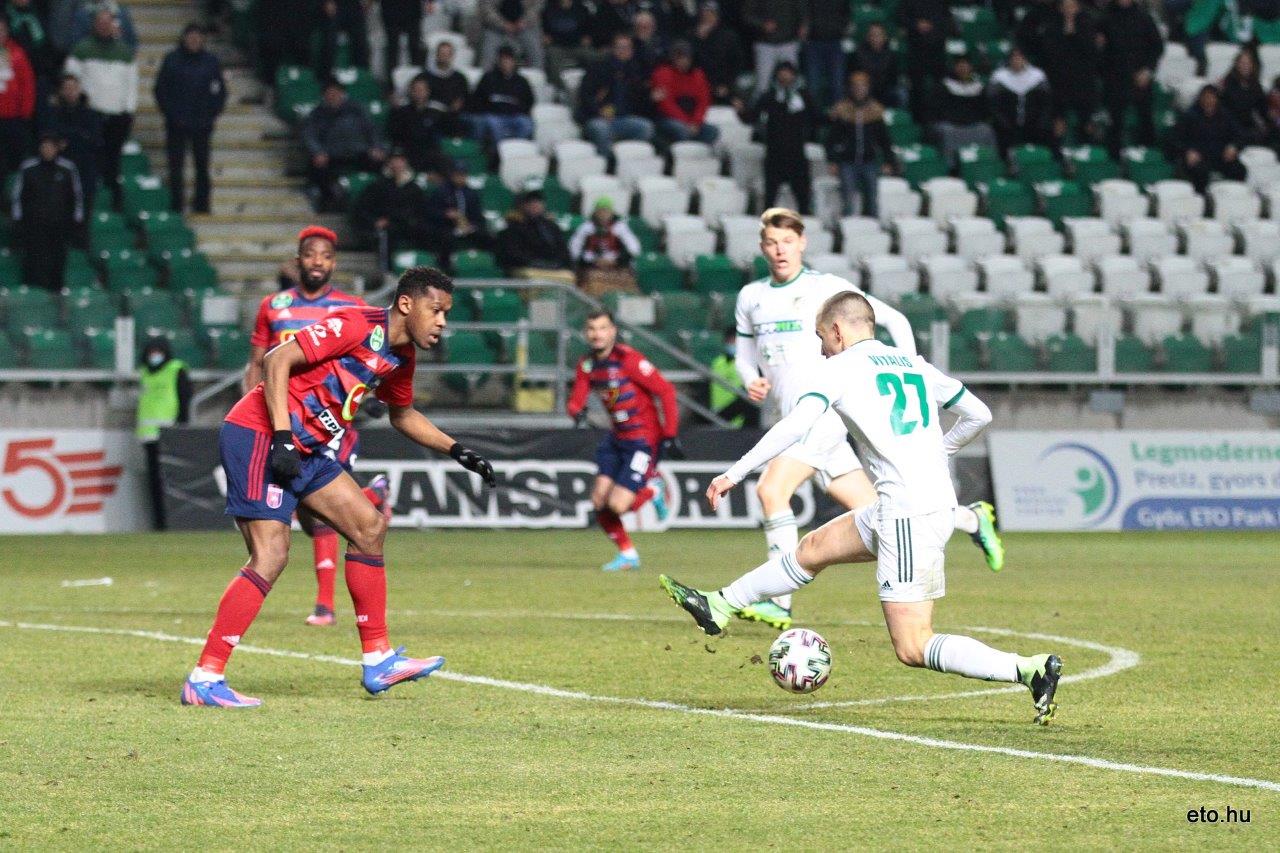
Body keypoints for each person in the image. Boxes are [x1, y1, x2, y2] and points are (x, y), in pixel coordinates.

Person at [659, 290, 1063, 726]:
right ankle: (720, 604)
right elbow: (979, 414)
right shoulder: (912, 363)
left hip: (908, 514)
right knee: (813, 548)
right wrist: (938, 452)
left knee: (913, 645)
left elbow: (795, 426)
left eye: (821, 338)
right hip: (907, 504)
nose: (820, 349)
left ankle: (1028, 669)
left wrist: (735, 473)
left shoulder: (841, 369)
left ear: (837, 330)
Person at [182, 265, 497, 707]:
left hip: (308, 447)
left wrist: (458, 450)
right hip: (259, 434)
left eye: (446, 313)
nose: (442, 321)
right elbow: (277, 359)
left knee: (369, 527)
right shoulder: (356, 325)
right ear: (406, 304)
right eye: (436, 310)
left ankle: (379, 660)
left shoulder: (402, 357)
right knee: (271, 554)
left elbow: (403, 415)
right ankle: (205, 677)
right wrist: (282, 436)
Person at [729, 208, 1001, 629]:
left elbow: (893, 319)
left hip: (823, 414)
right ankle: (969, 517)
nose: (780, 250)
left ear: (802, 243)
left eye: (787, 241)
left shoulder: (827, 288)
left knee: (771, 489)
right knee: (875, 511)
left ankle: (778, 602)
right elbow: (745, 357)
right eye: (771, 243)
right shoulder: (751, 296)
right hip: (792, 410)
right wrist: (750, 379)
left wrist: (906, 366)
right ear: (762, 247)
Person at [244, 226, 391, 627]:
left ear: (334, 263)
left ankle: (325, 606)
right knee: (310, 515)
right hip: (282, 417)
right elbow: (257, 363)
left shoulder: (352, 307)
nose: (317, 262)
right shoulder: (273, 306)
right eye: (310, 255)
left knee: (319, 511)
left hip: (329, 420)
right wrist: (252, 408)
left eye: (325, 256)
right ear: (298, 260)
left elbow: (373, 355)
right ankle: (371, 497)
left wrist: (373, 395)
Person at [566, 310, 681, 572]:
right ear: (586, 333)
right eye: (591, 329)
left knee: (617, 505)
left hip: (643, 441)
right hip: (616, 438)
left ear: (612, 331)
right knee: (599, 502)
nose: (597, 334)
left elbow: (666, 390)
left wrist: (670, 434)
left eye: (602, 328)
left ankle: (653, 490)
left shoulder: (629, 360)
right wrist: (576, 411)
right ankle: (628, 555)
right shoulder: (587, 364)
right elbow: (576, 399)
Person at [64, 8, 137, 211]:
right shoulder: (81, 49)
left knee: (113, 161)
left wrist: (128, 110)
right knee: (90, 159)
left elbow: (131, 85)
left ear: (113, 24)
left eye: (108, 22)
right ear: (94, 24)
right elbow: (71, 78)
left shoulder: (125, 52)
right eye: (100, 22)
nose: (104, 26)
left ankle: (115, 203)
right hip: (91, 114)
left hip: (117, 115)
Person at [154, 24, 226, 214]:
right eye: (190, 37)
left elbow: (220, 91)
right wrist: (171, 114)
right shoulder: (172, 60)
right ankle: (176, 205)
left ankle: (202, 204)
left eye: (197, 37)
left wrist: (211, 115)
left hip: (202, 124)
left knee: (202, 165)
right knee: (175, 167)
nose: (194, 41)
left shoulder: (211, 62)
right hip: (176, 123)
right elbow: (161, 90)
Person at [737, 61, 817, 214]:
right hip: (774, 154)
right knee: (770, 197)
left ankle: (805, 222)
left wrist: (834, 115)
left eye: (788, 73)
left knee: (803, 196)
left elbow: (817, 117)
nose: (785, 76)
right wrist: (741, 111)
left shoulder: (803, 96)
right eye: (782, 72)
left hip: (797, 153)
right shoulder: (769, 96)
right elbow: (752, 116)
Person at [11, 131, 83, 291]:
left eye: (51, 146)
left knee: (57, 261)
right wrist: (18, 220)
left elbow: (76, 197)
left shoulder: (67, 169)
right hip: (34, 226)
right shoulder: (28, 168)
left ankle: (56, 293)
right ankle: (35, 293)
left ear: (57, 148)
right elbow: (18, 196)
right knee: (35, 261)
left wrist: (75, 221)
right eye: (44, 146)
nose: (47, 150)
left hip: (59, 225)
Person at [301, 79, 385, 211]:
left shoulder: (356, 109)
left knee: (379, 163)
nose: (333, 97)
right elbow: (310, 135)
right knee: (317, 167)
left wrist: (376, 147)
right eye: (329, 94)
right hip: (331, 153)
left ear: (342, 94)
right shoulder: (317, 113)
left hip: (358, 151)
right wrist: (317, 151)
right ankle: (328, 201)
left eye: (336, 93)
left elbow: (371, 129)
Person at [136, 335, 192, 531]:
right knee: (154, 481)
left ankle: (175, 522)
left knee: (172, 481)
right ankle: (159, 523)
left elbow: (184, 399)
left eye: (157, 352)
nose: (154, 356)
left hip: (169, 433)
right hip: (149, 435)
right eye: (151, 352)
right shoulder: (144, 372)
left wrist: (181, 426)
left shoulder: (176, 369)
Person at [826, 70, 896, 217]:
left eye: (863, 86)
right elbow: (832, 139)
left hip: (869, 162)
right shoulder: (842, 110)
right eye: (856, 86)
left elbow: (884, 139)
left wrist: (889, 161)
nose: (859, 89)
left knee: (871, 201)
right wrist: (832, 160)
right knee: (848, 201)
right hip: (847, 162)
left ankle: (871, 228)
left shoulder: (875, 111)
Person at [1097, 0, 1162, 156]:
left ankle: (1147, 157)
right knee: (1115, 122)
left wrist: (1147, 70)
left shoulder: (1144, 17)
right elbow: (1099, 51)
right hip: (1115, 79)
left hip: (1140, 78)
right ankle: (1114, 159)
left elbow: (1157, 47)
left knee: (1146, 119)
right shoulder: (1105, 18)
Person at [350, 149, 433, 267]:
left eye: (400, 160)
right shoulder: (378, 185)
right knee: (387, 235)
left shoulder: (414, 188)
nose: (397, 164)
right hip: (387, 226)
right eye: (394, 160)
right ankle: (386, 270)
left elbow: (420, 209)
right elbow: (362, 208)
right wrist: (375, 221)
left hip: (407, 224)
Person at [577, 32, 656, 157]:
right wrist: (599, 111)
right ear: (613, 49)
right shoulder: (598, 68)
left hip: (622, 118)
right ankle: (608, 162)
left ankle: (628, 159)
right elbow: (585, 96)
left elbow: (640, 99)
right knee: (601, 128)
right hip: (597, 117)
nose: (624, 51)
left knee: (645, 127)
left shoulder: (635, 71)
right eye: (620, 47)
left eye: (628, 47)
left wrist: (651, 97)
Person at [1036, 0, 1100, 145]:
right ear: (1060, 9)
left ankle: (1086, 149)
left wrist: (1075, 33)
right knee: (1058, 123)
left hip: (1083, 82)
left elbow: (1091, 52)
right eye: (1066, 7)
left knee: (1086, 123)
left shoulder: (1088, 26)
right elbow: (1049, 54)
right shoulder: (1052, 27)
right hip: (1059, 82)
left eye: (1072, 7)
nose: (1069, 10)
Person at [1175, 84, 1246, 193]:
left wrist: (1234, 146)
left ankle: (1233, 196)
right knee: (1200, 172)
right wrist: (1187, 151)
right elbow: (1177, 139)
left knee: (1239, 170)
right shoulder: (1189, 116)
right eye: (1206, 97)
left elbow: (1240, 135)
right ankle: (1202, 198)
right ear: (1200, 99)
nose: (1209, 101)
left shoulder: (1225, 115)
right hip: (1198, 156)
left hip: (1221, 155)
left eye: (1212, 98)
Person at [931, 56, 998, 167]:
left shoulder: (978, 86)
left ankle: (988, 163)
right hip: (951, 123)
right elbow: (938, 110)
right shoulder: (944, 86)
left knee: (986, 129)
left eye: (966, 65)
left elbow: (985, 110)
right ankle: (951, 166)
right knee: (947, 131)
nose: (963, 68)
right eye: (960, 65)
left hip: (973, 122)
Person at [650, 40, 718, 146]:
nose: (683, 61)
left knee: (712, 131)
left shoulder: (698, 75)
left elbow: (704, 101)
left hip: (692, 120)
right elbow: (666, 104)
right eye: (680, 58)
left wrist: (696, 122)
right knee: (680, 130)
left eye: (686, 58)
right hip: (668, 118)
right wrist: (686, 122)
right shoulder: (662, 73)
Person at [987, 47, 1053, 155]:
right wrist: (1005, 124)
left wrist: (1040, 122)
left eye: (1019, 57)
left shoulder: (1038, 77)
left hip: (1034, 125)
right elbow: (994, 107)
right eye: (1013, 57)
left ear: (1025, 59)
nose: (1016, 60)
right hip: (1008, 126)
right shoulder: (999, 78)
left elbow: (1046, 104)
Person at [423, 159, 488, 268]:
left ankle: (483, 265)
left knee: (486, 236)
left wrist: (472, 226)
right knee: (445, 238)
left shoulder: (471, 193)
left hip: (467, 227)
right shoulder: (441, 192)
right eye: (458, 174)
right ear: (452, 174)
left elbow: (478, 216)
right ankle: (446, 267)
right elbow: (430, 212)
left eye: (463, 174)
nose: (460, 177)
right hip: (447, 227)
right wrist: (446, 214)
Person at [387, 74, 453, 178]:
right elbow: (395, 135)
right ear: (410, 91)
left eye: (421, 90)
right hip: (408, 151)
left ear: (427, 91)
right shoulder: (401, 112)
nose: (418, 93)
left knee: (444, 161)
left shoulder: (436, 112)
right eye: (415, 90)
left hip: (429, 151)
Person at [467, 45, 535, 143]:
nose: (506, 63)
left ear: (514, 62)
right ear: (498, 61)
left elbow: (529, 101)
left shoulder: (522, 81)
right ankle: (498, 150)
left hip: (515, 116)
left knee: (526, 124)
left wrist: (518, 111)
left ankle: (517, 148)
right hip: (493, 115)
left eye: (509, 60)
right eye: (503, 60)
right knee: (493, 124)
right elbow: (477, 99)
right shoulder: (488, 78)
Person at [899, 0, 952, 122]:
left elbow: (946, 18)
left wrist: (936, 27)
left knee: (939, 86)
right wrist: (916, 24)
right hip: (916, 49)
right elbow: (901, 17)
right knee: (917, 87)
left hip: (937, 49)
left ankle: (938, 119)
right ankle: (917, 120)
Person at [495, 188, 572, 272]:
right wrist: (534, 263)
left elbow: (563, 251)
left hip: (554, 269)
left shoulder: (551, 227)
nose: (536, 205)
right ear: (521, 205)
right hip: (525, 269)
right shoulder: (512, 227)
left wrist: (558, 264)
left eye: (538, 201)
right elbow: (512, 254)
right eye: (531, 202)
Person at [0, 18, 37, 183]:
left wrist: (25, 112)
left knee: (12, 158)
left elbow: (27, 84)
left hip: (12, 117)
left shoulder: (17, 53)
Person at [743, 0, 802, 94]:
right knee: (763, 84)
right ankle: (762, 103)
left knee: (791, 82)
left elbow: (801, 7)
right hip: (764, 43)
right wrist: (762, 24)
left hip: (788, 41)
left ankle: (793, 103)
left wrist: (803, 23)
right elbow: (747, 15)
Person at [570, 196, 640, 274]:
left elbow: (634, 249)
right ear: (595, 212)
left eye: (606, 211)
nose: (603, 214)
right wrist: (593, 262)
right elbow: (574, 250)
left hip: (616, 265)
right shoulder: (586, 228)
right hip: (591, 266)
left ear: (611, 212)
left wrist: (615, 261)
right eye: (600, 211)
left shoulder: (620, 227)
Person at [691, 1, 744, 104]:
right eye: (705, 14)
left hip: (723, 86)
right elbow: (690, 62)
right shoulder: (692, 35)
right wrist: (699, 39)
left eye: (711, 14)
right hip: (698, 86)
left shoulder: (729, 37)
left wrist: (727, 85)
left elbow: (737, 64)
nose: (707, 18)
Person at [803, 0, 849, 110]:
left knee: (837, 84)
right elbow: (804, 12)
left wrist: (840, 28)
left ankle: (839, 116)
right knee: (813, 84)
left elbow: (847, 13)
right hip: (814, 42)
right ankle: (812, 114)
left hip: (835, 42)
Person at [708, 326, 757, 427]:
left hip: (740, 420)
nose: (733, 344)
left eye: (736, 342)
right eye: (730, 341)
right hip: (717, 416)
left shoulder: (749, 364)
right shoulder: (717, 362)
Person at [542, 0, 595, 88]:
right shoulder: (549, 10)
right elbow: (545, 30)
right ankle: (561, 89)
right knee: (552, 62)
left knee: (594, 58)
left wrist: (588, 36)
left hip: (578, 46)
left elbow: (590, 28)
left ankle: (589, 87)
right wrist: (545, 36)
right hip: (557, 46)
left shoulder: (582, 9)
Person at [1219, 49, 1267, 146]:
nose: (1245, 66)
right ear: (1236, 64)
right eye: (1242, 63)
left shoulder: (1255, 86)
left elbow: (1262, 109)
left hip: (1248, 124)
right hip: (1229, 125)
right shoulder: (1227, 84)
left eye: (1248, 63)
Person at [478, 0, 545, 69]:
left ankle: (537, 74)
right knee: (488, 54)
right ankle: (486, 75)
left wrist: (524, 21)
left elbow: (537, 7)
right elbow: (486, 9)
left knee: (535, 52)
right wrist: (503, 24)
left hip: (525, 27)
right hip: (495, 28)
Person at [850, 21, 902, 109]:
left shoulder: (891, 54)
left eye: (878, 35)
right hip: (865, 89)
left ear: (885, 37)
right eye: (872, 35)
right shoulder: (858, 53)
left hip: (885, 89)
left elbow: (894, 77)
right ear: (867, 37)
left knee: (900, 92)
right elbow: (854, 75)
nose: (875, 38)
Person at [424, 41, 470, 139]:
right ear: (436, 55)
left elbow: (465, 97)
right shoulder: (425, 76)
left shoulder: (460, 78)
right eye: (441, 53)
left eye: (446, 54)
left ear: (452, 56)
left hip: (452, 115)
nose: (443, 57)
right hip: (430, 112)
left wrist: (460, 103)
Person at [318, 0, 370, 77]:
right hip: (336, 4)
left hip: (355, 6)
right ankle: (327, 75)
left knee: (360, 42)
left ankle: (361, 74)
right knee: (330, 39)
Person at [379, 0, 426, 80]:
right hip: (390, 10)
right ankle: (391, 82)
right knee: (392, 50)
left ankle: (418, 81)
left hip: (412, 9)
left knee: (414, 47)